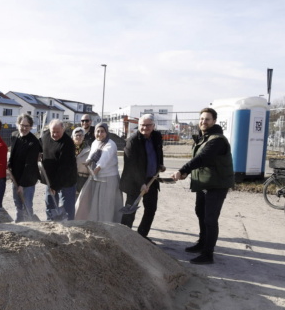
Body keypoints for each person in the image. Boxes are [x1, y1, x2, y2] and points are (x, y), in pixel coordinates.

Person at [171, 107, 234, 265]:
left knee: (210, 219)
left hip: (216, 184)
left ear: (214, 121)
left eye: (207, 119)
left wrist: (182, 170)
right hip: (204, 183)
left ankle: (208, 254)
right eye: (201, 119)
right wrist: (187, 173)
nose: (203, 122)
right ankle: (202, 243)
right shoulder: (204, 137)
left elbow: (203, 158)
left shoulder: (217, 140)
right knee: (201, 213)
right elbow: (202, 163)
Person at [120, 114, 165, 242]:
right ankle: (123, 237)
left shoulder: (156, 136)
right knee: (130, 210)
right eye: (142, 125)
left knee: (151, 209)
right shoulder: (132, 141)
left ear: (153, 125)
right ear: (138, 125)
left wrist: (160, 164)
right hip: (134, 181)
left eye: (148, 125)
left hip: (152, 180)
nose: (145, 128)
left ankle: (142, 236)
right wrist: (141, 183)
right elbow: (130, 165)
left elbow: (159, 151)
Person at [75, 123, 123, 222]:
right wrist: (88, 162)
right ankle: (91, 222)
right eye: (98, 131)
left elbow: (104, 159)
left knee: (105, 204)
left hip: (108, 179)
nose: (100, 134)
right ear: (94, 132)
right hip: (95, 177)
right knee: (89, 201)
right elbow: (91, 155)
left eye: (102, 131)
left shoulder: (110, 144)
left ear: (106, 132)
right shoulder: (95, 143)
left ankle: (107, 225)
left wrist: (96, 170)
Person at [40, 119, 77, 220]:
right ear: (49, 130)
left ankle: (69, 225)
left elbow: (65, 168)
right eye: (53, 132)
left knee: (67, 206)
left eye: (58, 132)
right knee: (50, 203)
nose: (55, 134)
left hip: (66, 180)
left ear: (63, 130)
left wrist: (54, 186)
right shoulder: (45, 136)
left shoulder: (68, 143)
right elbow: (39, 148)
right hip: (50, 178)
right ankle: (51, 223)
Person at [8, 114, 41, 222]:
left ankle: (30, 225)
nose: (24, 128)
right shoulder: (14, 136)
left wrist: (22, 184)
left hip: (28, 180)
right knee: (17, 204)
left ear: (31, 127)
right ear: (18, 125)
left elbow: (29, 165)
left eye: (27, 126)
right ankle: (19, 222)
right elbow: (12, 155)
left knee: (27, 205)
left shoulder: (33, 142)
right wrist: (8, 166)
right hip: (15, 177)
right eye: (22, 125)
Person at [73, 128, 91, 194]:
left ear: (83, 137)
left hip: (83, 179)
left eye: (81, 135)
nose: (78, 137)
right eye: (76, 135)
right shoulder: (68, 149)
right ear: (72, 137)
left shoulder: (89, 150)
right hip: (71, 179)